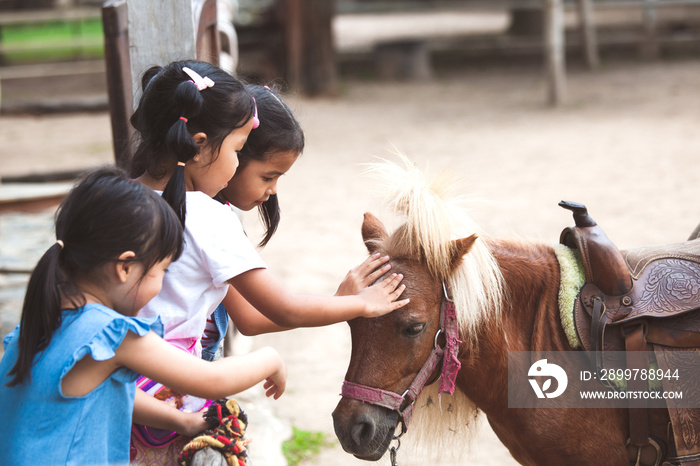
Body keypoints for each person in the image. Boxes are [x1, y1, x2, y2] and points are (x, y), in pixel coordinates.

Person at [128, 60, 408, 462]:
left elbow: (250, 317)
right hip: (174, 403)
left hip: (122, 392)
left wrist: (336, 301)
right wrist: (359, 304)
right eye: (240, 153)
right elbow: (280, 307)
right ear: (203, 144)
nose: (271, 191)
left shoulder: (119, 198)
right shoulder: (206, 217)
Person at [0, 167, 286, 466]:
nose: (161, 284)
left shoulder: (39, 323)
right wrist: (270, 359)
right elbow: (211, 380)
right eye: (161, 270)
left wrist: (183, 422)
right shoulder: (112, 334)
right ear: (125, 267)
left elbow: (116, 393)